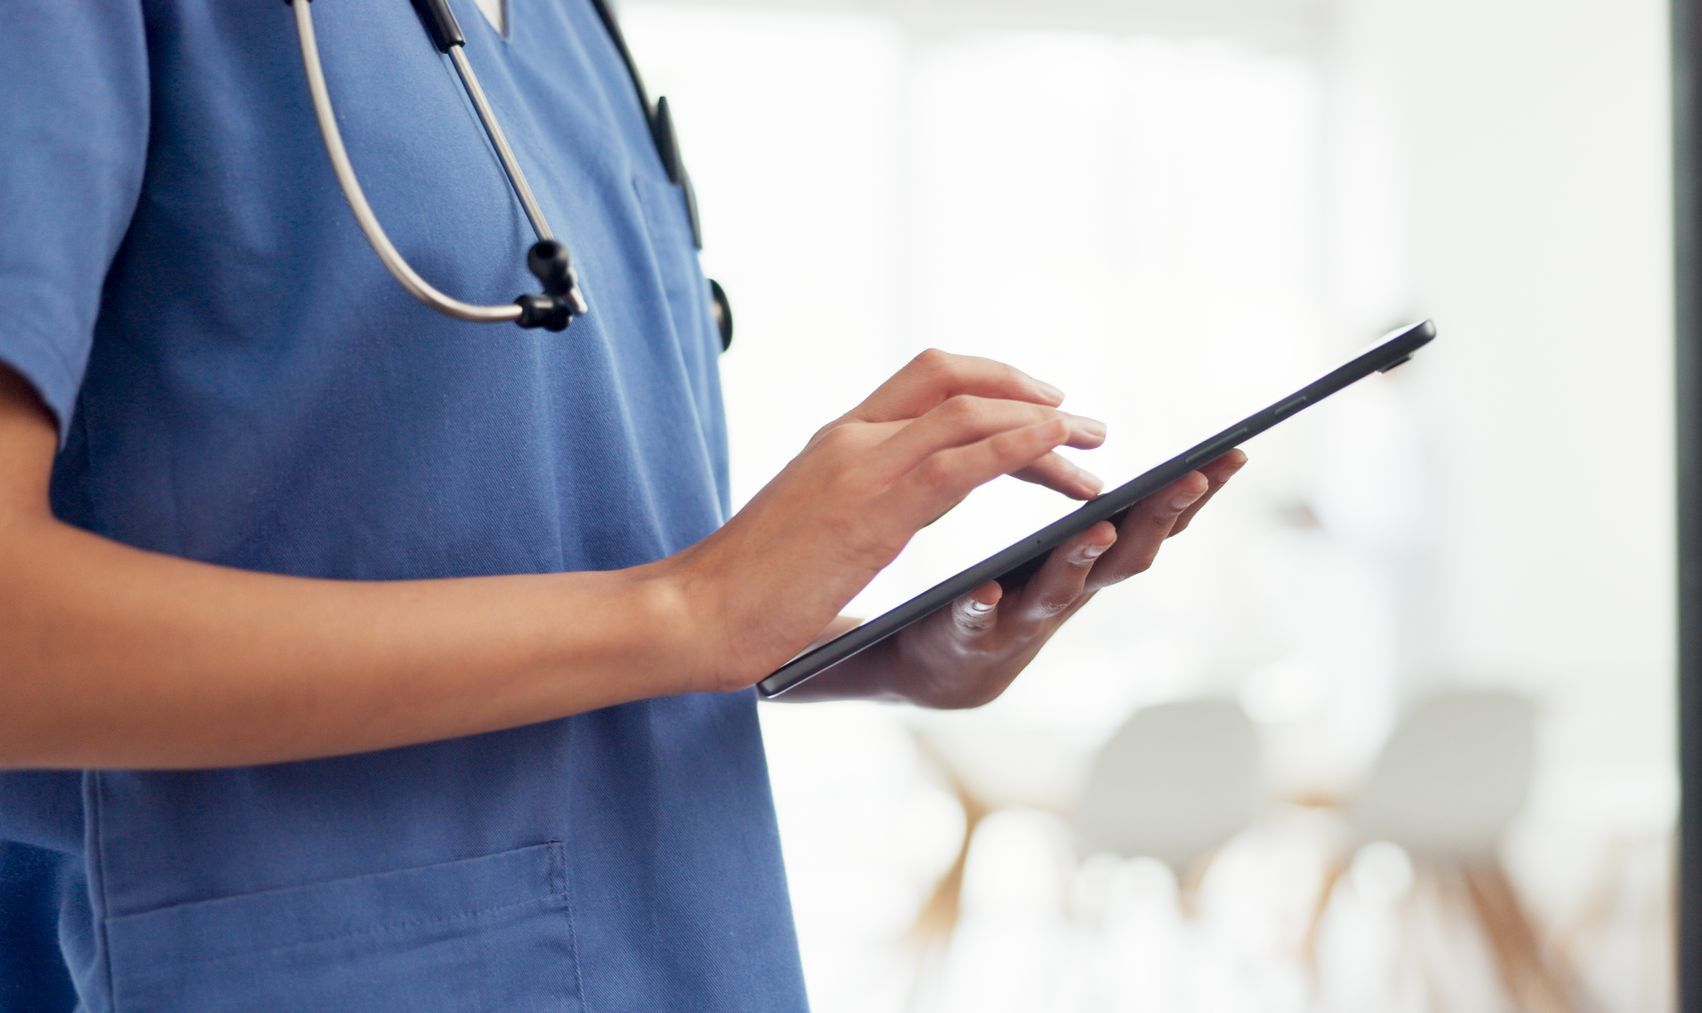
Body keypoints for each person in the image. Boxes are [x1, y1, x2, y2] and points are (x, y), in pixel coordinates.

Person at [0, 3, 1245, 1010]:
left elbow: (560, 562)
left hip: (696, 945)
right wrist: (692, 609)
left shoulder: (571, 30)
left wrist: (866, 650)